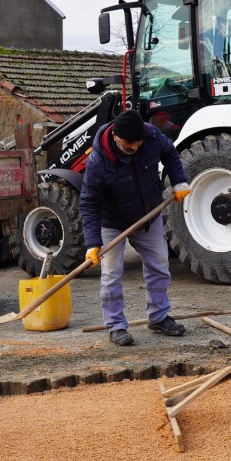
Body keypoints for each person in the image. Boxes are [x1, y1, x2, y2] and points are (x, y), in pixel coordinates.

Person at [80, 110, 192, 346]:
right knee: (111, 276)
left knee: (160, 267)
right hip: (113, 224)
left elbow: (170, 152)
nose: (135, 146)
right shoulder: (98, 161)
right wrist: (92, 243)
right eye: (128, 143)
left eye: (138, 141)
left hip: (148, 216)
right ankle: (116, 325)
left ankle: (159, 316)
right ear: (115, 138)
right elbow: (89, 202)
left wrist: (178, 180)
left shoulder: (150, 136)